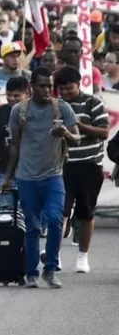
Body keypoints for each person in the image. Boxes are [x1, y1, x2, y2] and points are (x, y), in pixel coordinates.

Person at [1, 68, 78, 288]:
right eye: (42, 85)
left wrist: (65, 133)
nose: (46, 90)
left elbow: (77, 139)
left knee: (55, 220)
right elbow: (15, 145)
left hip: (53, 175)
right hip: (26, 177)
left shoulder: (61, 107)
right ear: (31, 86)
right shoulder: (19, 110)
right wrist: (8, 176)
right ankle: (32, 272)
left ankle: (50, 268)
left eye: (49, 86)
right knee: (32, 226)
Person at [54, 66, 108, 274]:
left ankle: (82, 257)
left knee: (86, 213)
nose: (65, 93)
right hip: (62, 166)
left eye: (69, 88)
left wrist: (77, 126)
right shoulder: (55, 105)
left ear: (79, 84)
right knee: (60, 212)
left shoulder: (92, 103)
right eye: (61, 89)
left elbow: (104, 132)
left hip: (89, 165)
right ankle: (54, 255)